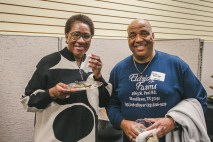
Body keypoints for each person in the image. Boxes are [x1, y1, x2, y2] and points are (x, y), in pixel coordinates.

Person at [106, 19, 208, 142]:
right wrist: (123, 123)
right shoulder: (119, 70)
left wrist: (172, 121)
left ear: (153, 36)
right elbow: (112, 105)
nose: (138, 39)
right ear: (128, 40)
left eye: (144, 33)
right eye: (132, 35)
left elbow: (199, 99)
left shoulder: (176, 65)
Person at [21, 14, 112, 142]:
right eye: (76, 34)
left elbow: (104, 102)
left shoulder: (92, 64)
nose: (81, 40)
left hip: (87, 138)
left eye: (86, 36)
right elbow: (27, 102)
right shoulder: (49, 63)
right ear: (66, 36)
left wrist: (98, 76)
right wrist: (52, 93)